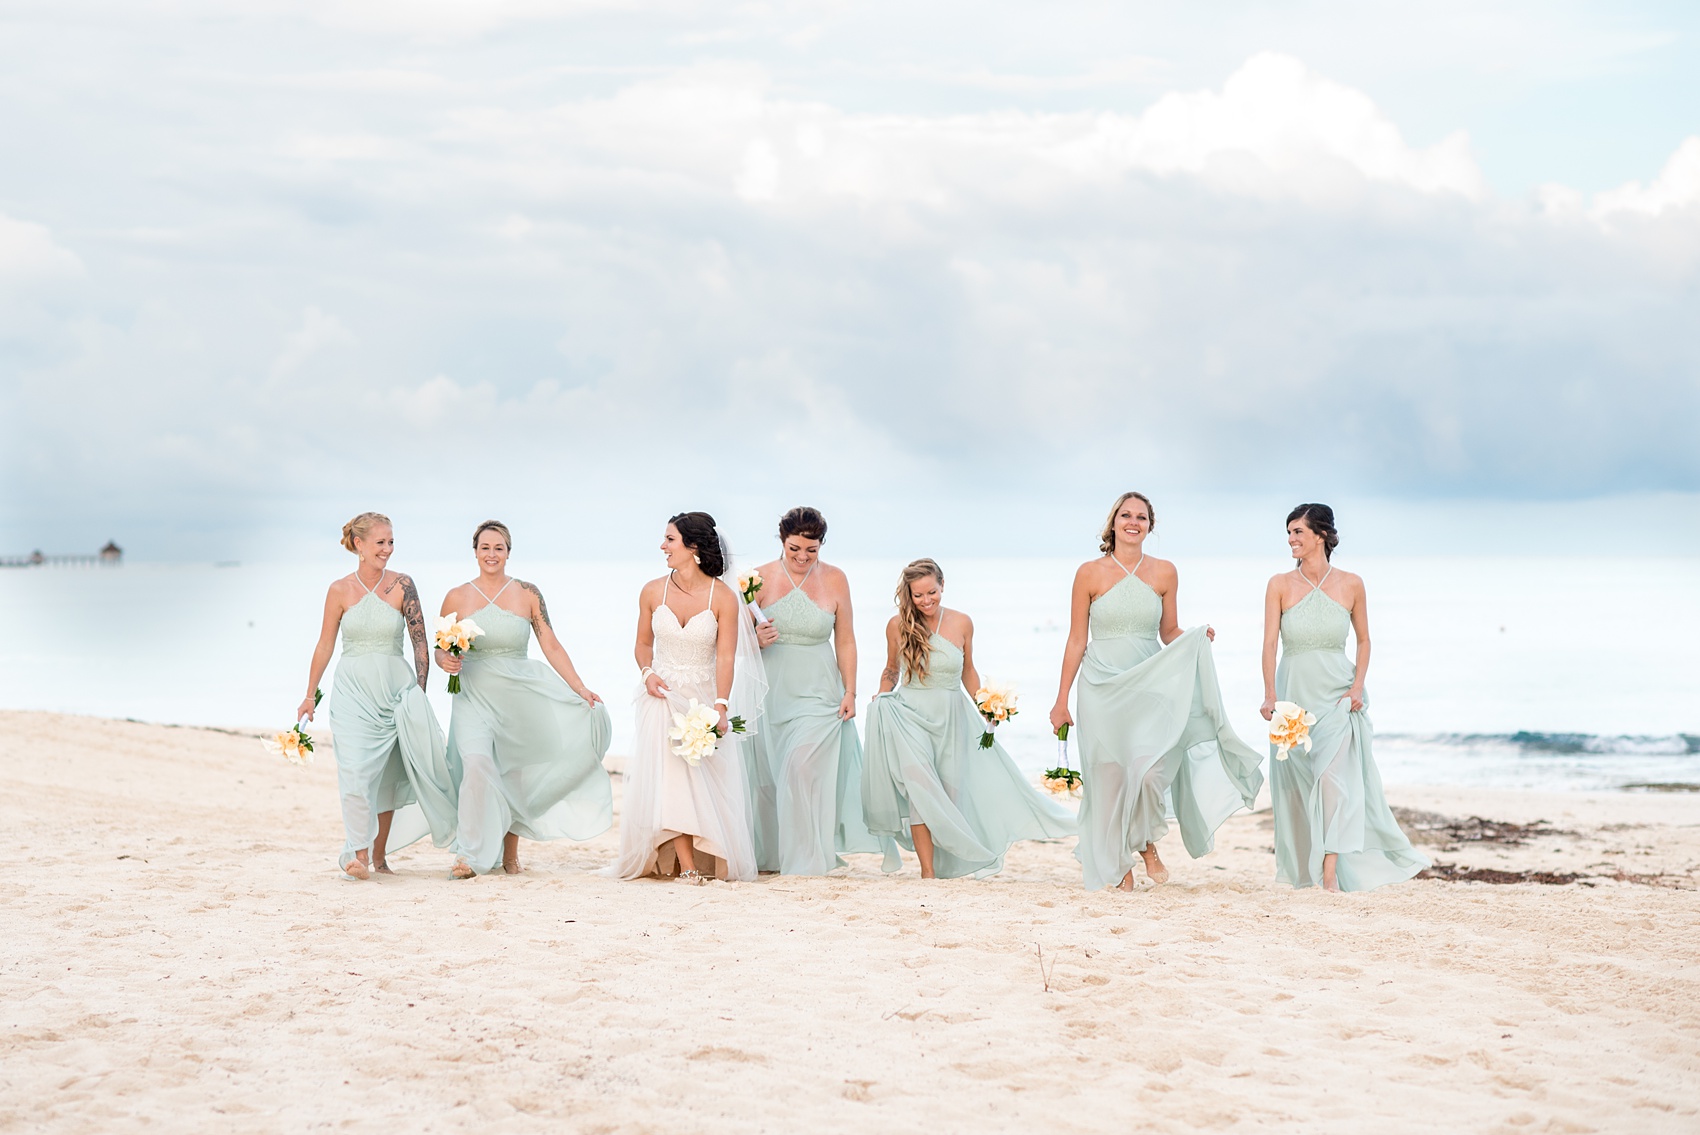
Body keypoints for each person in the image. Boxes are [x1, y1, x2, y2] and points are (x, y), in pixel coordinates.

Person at [1050, 492, 1263, 890]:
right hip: (1101, 686)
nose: (1134, 522)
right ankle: (1119, 868)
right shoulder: (1089, 573)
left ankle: (1146, 843)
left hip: (1149, 682)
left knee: (1148, 773)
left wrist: (1195, 638)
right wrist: (1061, 699)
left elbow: (1168, 633)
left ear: (1150, 526)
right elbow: (1077, 638)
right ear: (1113, 523)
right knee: (1109, 779)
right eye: (1126, 515)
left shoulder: (1164, 572)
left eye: (1142, 517)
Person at [862, 559, 1075, 879]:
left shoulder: (962, 622)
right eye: (917, 595)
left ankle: (949, 864)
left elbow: (968, 671)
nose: (925, 600)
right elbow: (891, 669)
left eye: (931, 592)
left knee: (948, 794)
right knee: (921, 791)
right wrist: (882, 694)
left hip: (952, 716)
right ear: (908, 594)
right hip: (908, 715)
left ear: (942, 585)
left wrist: (987, 706)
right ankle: (927, 873)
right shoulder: (897, 625)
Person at [1261, 503, 1428, 891]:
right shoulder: (1279, 584)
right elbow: (1270, 643)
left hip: (1338, 694)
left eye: (1298, 532)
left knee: (1334, 782)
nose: (1291, 540)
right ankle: (1306, 866)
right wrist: (1270, 694)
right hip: (1293, 696)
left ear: (1321, 534)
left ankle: (1331, 872)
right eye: (1288, 533)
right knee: (1297, 784)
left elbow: (1365, 639)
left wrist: (1357, 688)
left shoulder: (1352, 584)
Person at [437, 520, 612, 877]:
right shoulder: (457, 596)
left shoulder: (528, 593)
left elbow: (550, 643)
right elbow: (441, 649)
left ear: (508, 552)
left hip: (519, 695)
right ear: (474, 552)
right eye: (485, 547)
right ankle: (468, 854)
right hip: (472, 695)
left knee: (516, 775)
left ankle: (510, 855)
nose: (491, 554)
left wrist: (579, 687)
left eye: (498, 548)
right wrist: (446, 662)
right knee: (475, 765)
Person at [298, 512, 456, 879]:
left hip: (395, 690)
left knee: (388, 775)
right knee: (355, 771)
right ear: (359, 545)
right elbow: (325, 645)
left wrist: (418, 692)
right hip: (352, 691)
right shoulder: (339, 590)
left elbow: (420, 642)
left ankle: (379, 857)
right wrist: (309, 695)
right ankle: (358, 854)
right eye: (380, 542)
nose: (387, 549)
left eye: (391, 542)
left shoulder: (403, 584)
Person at [612, 512, 765, 883]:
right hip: (661, 696)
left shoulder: (724, 597)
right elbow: (642, 644)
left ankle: (699, 859)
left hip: (701, 699)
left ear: (692, 547)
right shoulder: (651, 591)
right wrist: (647, 674)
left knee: (702, 783)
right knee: (671, 778)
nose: (662, 546)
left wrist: (721, 706)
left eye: (670, 540)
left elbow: (726, 656)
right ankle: (687, 865)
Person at [748, 507, 890, 874]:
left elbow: (845, 640)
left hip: (820, 690)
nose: (802, 557)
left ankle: (807, 859)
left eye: (811, 550)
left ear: (821, 545)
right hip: (770, 690)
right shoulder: (756, 579)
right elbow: (732, 642)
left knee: (803, 767)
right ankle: (775, 856)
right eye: (794, 548)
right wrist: (755, 639)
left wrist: (851, 691)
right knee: (768, 776)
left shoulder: (836, 579)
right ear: (782, 541)